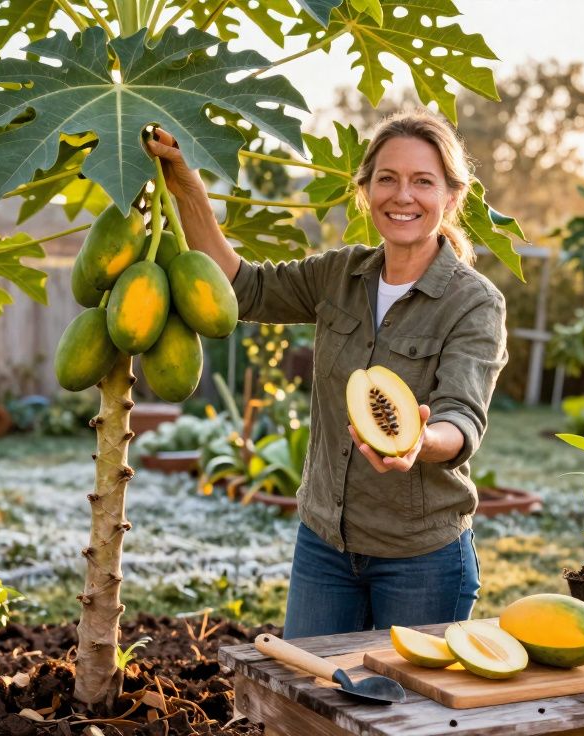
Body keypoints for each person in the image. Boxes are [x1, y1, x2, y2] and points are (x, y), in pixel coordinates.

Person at [146, 110, 508, 639]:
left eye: (422, 182)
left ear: (452, 197)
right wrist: (188, 188)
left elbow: (462, 418)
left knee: (410, 714)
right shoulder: (338, 274)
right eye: (387, 179)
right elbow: (243, 287)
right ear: (365, 191)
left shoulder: (474, 303)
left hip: (421, 559)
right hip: (324, 547)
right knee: (309, 704)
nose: (402, 196)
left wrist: (418, 440)